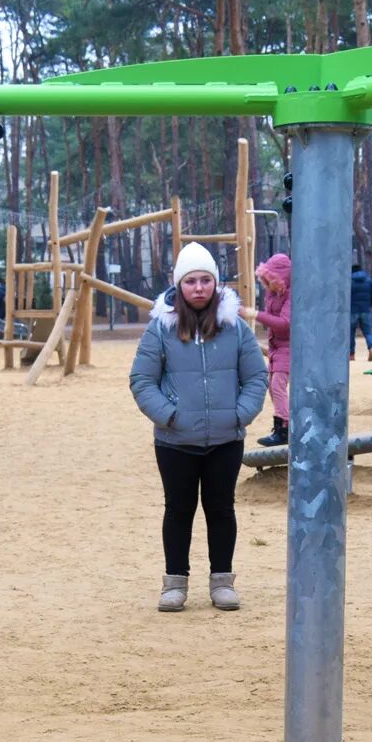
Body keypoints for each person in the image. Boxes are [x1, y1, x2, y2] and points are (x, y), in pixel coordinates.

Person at [129, 242, 269, 613]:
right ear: (179, 286)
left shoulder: (235, 329)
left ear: (216, 284)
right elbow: (142, 380)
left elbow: (256, 376)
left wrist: (239, 414)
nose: (199, 288)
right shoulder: (161, 329)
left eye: (206, 280)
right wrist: (170, 415)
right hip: (175, 440)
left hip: (225, 438)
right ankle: (175, 582)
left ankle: (222, 580)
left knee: (221, 509)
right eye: (191, 281)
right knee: (178, 509)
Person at [255, 252, 293, 446]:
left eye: (269, 280)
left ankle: (284, 429)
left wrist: (256, 314)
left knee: (278, 386)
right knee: (273, 387)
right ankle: (281, 425)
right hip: (276, 347)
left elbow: (284, 324)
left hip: (289, 347)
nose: (266, 284)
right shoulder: (273, 293)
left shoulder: (291, 295)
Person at [349, 263, 372, 361]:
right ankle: (371, 347)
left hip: (352, 310)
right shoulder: (368, 280)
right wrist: (369, 305)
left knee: (351, 333)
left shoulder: (349, 281)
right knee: (367, 331)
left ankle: (351, 354)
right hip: (366, 309)